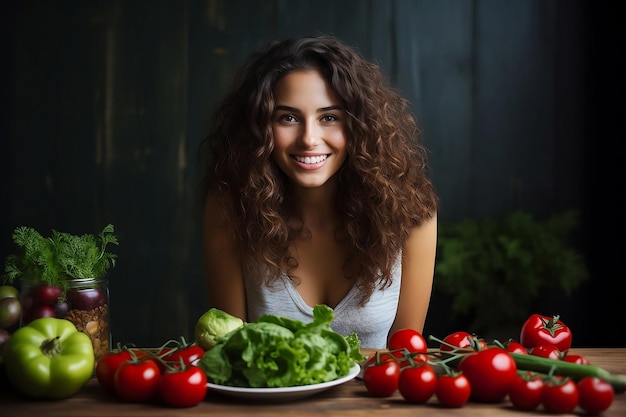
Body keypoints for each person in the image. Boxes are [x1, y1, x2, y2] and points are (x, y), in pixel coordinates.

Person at [199, 34, 438, 349]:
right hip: (269, 399)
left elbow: (406, 357)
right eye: (288, 118)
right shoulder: (230, 210)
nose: (309, 138)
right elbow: (230, 353)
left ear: (358, 125)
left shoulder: (411, 213)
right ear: (259, 129)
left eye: (329, 117)